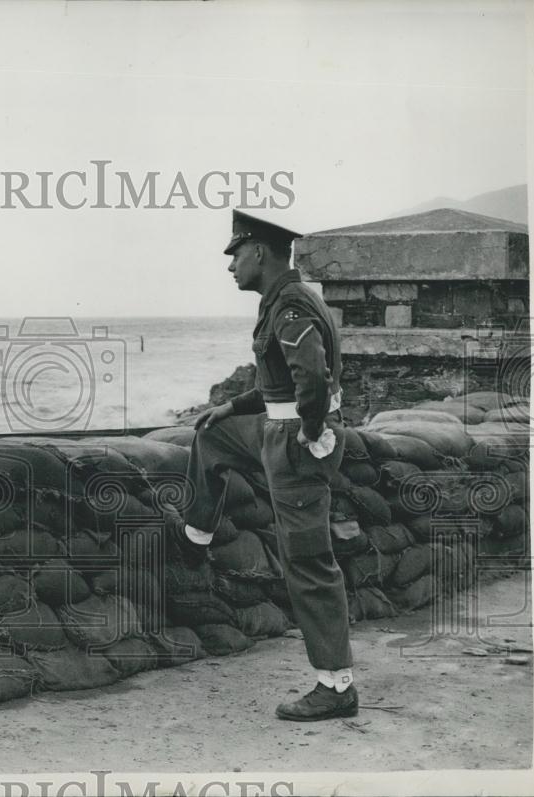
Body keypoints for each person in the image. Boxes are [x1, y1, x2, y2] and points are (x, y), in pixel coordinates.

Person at [180, 210, 356, 721]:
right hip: (276, 432)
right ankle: (195, 536)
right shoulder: (283, 300)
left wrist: (311, 432)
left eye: (235, 255)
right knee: (211, 435)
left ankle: (336, 685)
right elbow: (280, 382)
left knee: (307, 563)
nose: (231, 266)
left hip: (294, 444)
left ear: (259, 251)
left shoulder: (291, 304)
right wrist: (231, 407)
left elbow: (313, 379)